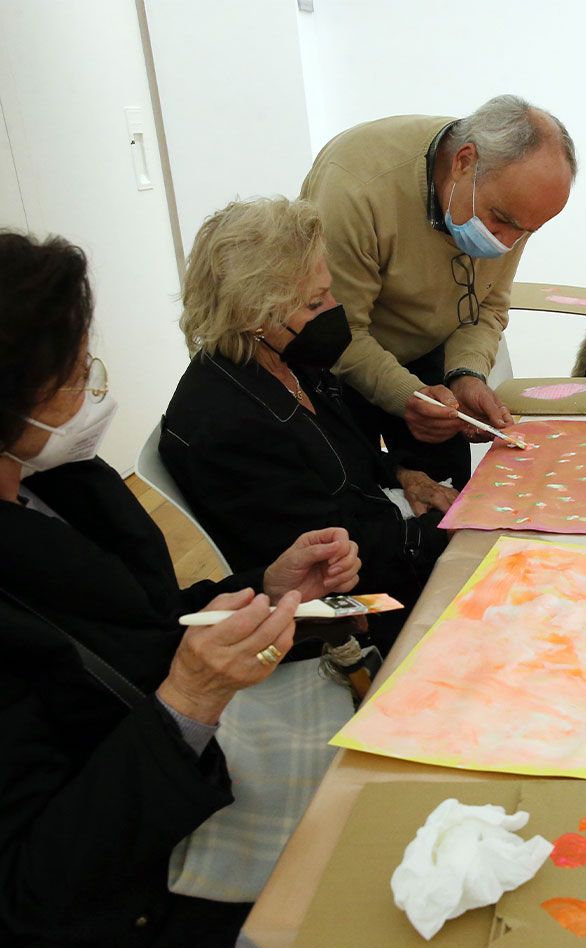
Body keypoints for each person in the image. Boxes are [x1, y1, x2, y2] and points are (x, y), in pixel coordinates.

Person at [0, 231, 361, 948]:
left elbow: (136, 623)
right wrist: (188, 703)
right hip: (113, 923)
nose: (93, 387)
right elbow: (42, 882)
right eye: (75, 372)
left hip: (171, 771)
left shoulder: (58, 483)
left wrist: (264, 584)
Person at [161, 197, 453, 652]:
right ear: (254, 314)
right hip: (348, 609)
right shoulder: (227, 425)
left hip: (385, 544)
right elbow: (336, 559)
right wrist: (447, 531)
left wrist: (404, 474)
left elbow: (354, 457)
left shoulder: (290, 358)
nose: (335, 309)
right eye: (317, 301)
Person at [300, 96, 575, 486]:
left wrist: (467, 375)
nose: (507, 243)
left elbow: (486, 307)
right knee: (358, 501)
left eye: (526, 232)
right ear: (464, 162)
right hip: (336, 363)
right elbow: (337, 332)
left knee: (446, 499)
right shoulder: (356, 188)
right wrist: (406, 395)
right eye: (501, 221)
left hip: (430, 355)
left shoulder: (511, 197)